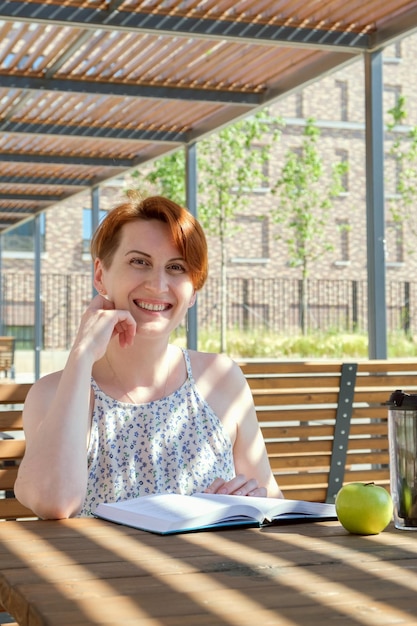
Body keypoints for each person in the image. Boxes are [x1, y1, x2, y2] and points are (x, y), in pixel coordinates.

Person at [15, 194, 282, 519]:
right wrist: (81, 356)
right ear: (100, 275)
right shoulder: (54, 393)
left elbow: (272, 500)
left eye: (176, 268)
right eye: (139, 261)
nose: (158, 284)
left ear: (193, 289)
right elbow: (52, 501)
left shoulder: (222, 377)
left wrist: (253, 500)